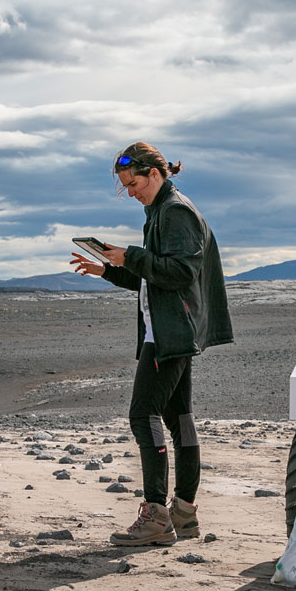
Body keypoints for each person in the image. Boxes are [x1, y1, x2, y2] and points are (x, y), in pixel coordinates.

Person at [71, 142, 233, 545]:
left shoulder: (174, 211)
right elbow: (153, 277)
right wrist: (108, 269)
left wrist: (132, 257)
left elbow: (180, 273)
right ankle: (185, 514)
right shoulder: (160, 211)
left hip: (168, 332)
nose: (130, 192)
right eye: (125, 186)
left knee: (144, 415)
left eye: (133, 183)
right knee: (180, 421)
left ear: (155, 174)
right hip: (173, 329)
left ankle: (157, 516)